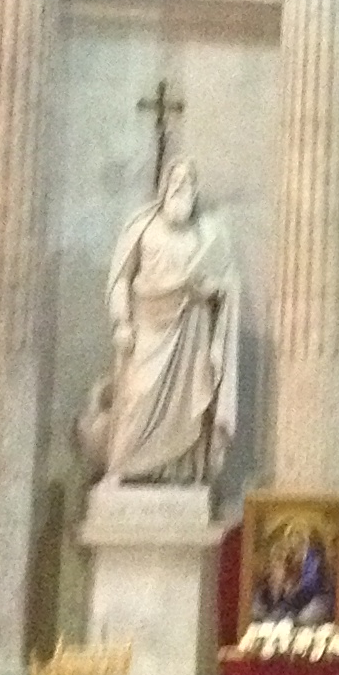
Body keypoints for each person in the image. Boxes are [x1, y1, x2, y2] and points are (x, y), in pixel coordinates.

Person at [85, 158, 240, 487]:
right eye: (176, 181)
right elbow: (121, 279)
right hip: (148, 324)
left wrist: (213, 291)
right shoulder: (142, 227)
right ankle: (120, 468)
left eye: (188, 182)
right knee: (136, 396)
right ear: (164, 187)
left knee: (188, 407)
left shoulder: (205, 233)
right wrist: (121, 321)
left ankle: (179, 473)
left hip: (191, 328)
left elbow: (224, 284)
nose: (182, 187)